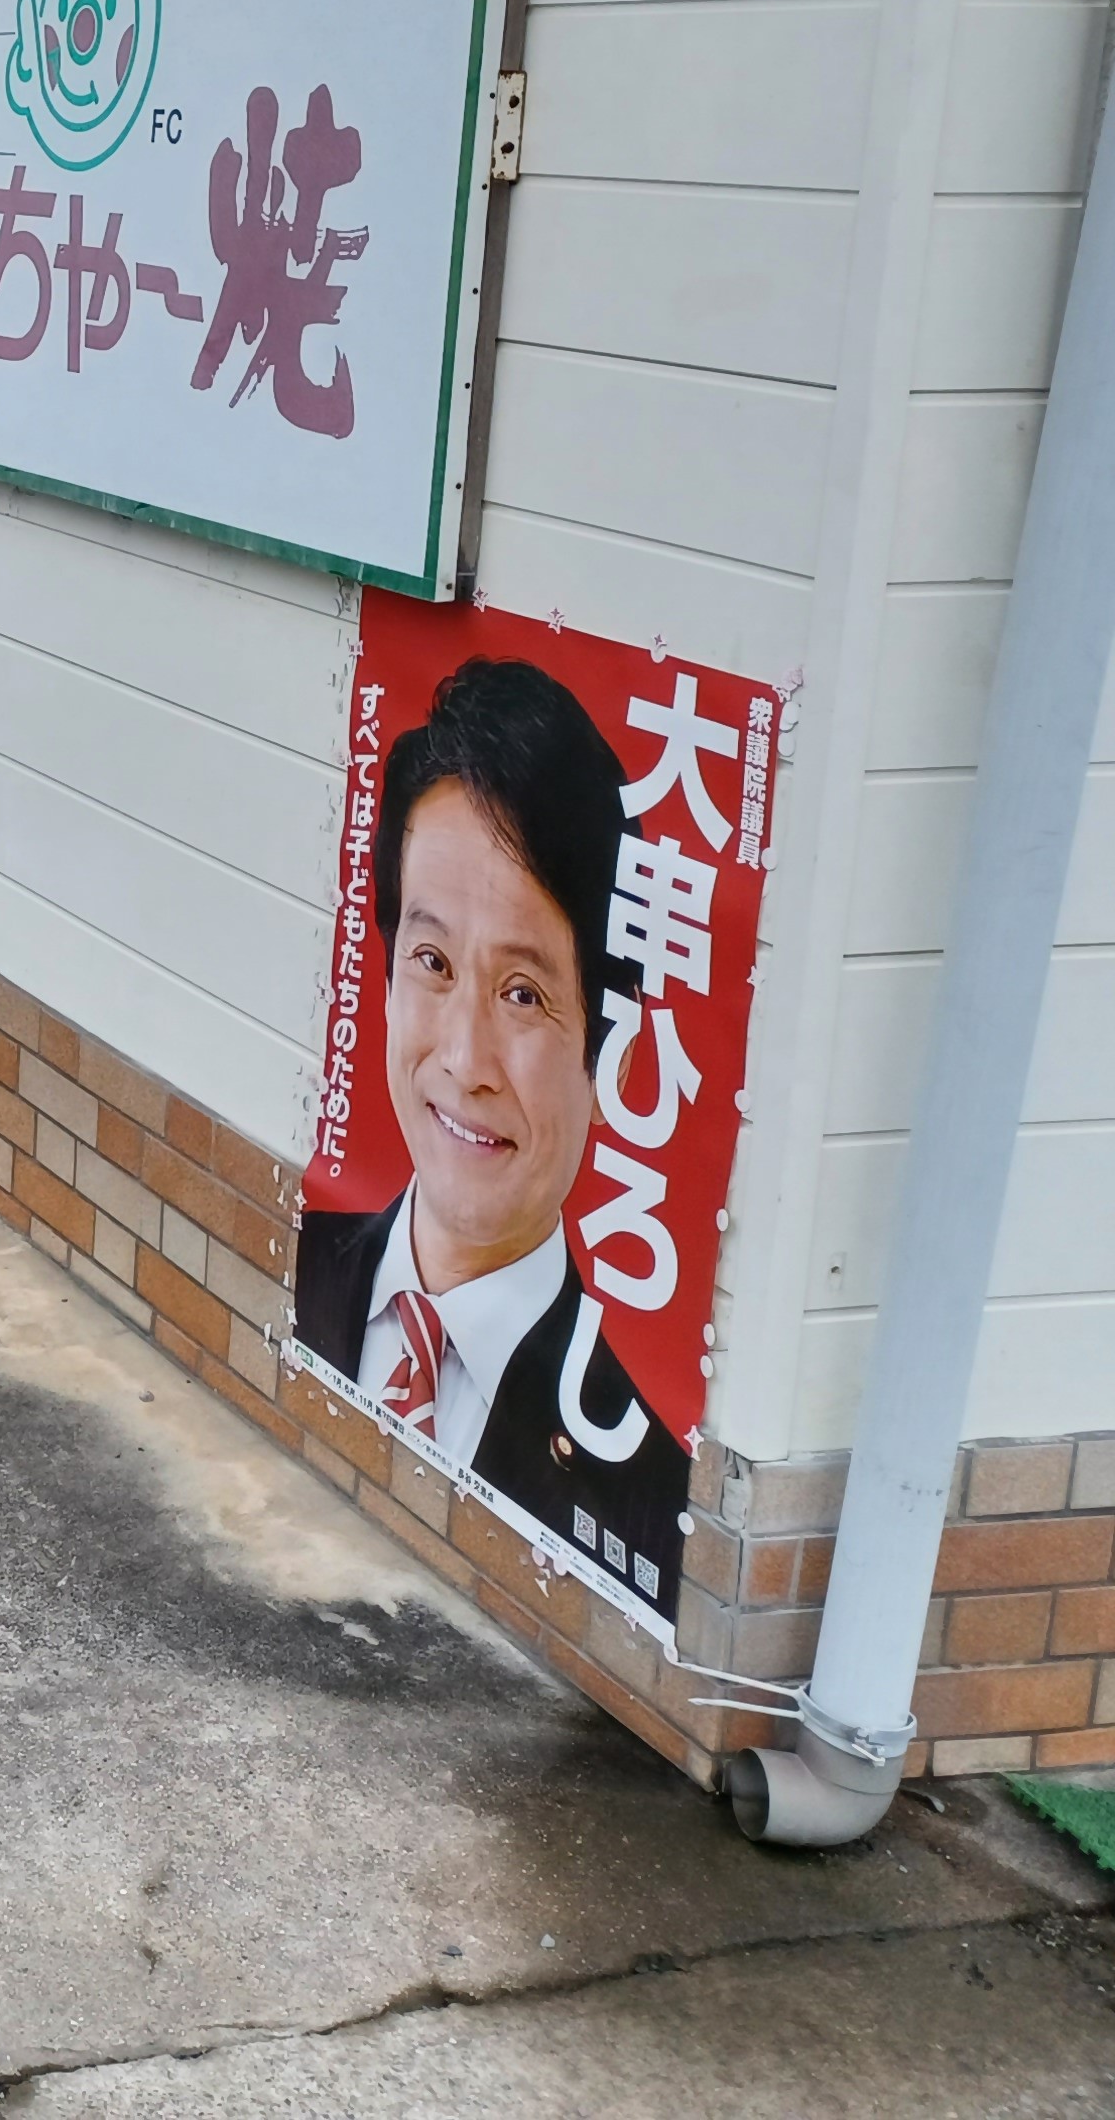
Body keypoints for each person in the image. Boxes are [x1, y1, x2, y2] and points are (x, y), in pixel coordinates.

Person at [295, 656, 692, 1616]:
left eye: (524, 993)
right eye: (430, 961)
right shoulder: (296, 1269)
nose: (466, 1059)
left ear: (617, 1059)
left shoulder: (647, 1493)